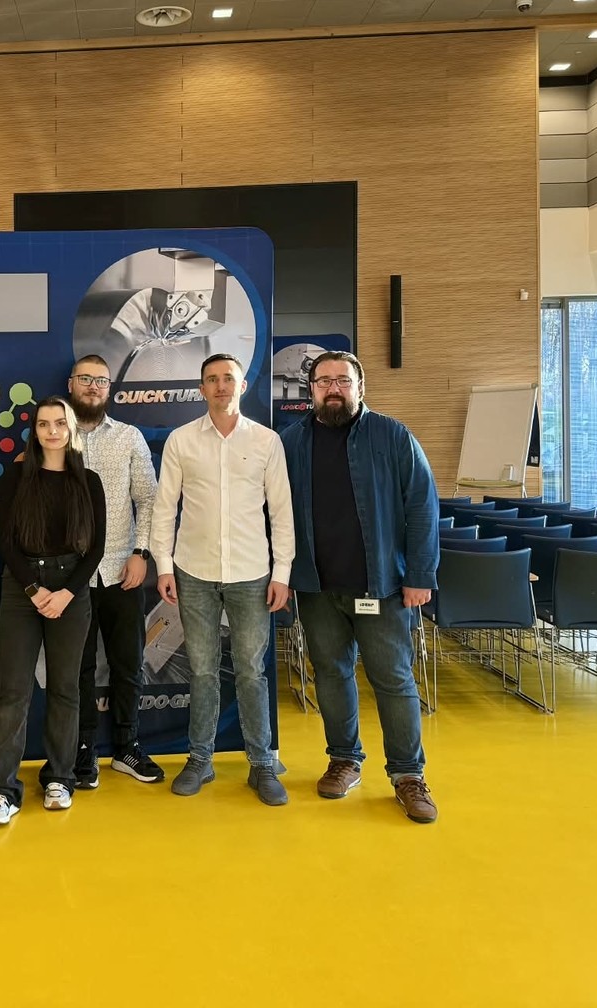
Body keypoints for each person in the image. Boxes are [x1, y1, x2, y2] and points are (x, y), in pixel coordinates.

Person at [279, 350, 441, 824]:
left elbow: (422, 505)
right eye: (324, 381)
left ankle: (408, 775)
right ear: (310, 390)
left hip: (382, 586)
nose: (333, 388)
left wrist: (420, 575)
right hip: (316, 587)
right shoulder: (289, 442)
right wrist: (281, 575)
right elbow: (272, 513)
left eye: (343, 381)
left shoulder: (392, 436)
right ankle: (344, 759)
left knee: (393, 679)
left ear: (360, 387)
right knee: (331, 675)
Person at [150, 354, 294, 806]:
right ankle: (200, 759)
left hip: (252, 575)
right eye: (211, 379)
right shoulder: (181, 440)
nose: (220, 386)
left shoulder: (267, 441)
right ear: (201, 389)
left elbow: (282, 512)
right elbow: (164, 507)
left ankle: (261, 764)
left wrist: (282, 572)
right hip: (193, 573)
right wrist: (164, 566)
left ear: (242, 385)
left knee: (251, 671)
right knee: (202, 670)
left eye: (228, 378)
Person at [0, 397, 106, 827]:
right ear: (34, 431)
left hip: (72, 591)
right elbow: (4, 541)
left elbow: (97, 549)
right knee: (13, 691)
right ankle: (2, 791)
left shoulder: (89, 481)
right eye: (43, 424)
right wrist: (34, 590)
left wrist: (67, 593)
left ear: (72, 429)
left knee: (66, 689)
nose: (52, 431)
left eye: (60, 423)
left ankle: (60, 778)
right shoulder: (15, 476)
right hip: (22, 590)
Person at [55, 353, 163, 788]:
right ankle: (83, 751)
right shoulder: (54, 436)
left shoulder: (129, 436)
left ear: (110, 388)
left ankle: (126, 746)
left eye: (101, 380)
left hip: (122, 569)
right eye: (85, 379)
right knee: (77, 668)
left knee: (128, 662)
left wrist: (141, 553)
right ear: (71, 384)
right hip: (70, 576)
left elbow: (149, 499)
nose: (94, 387)